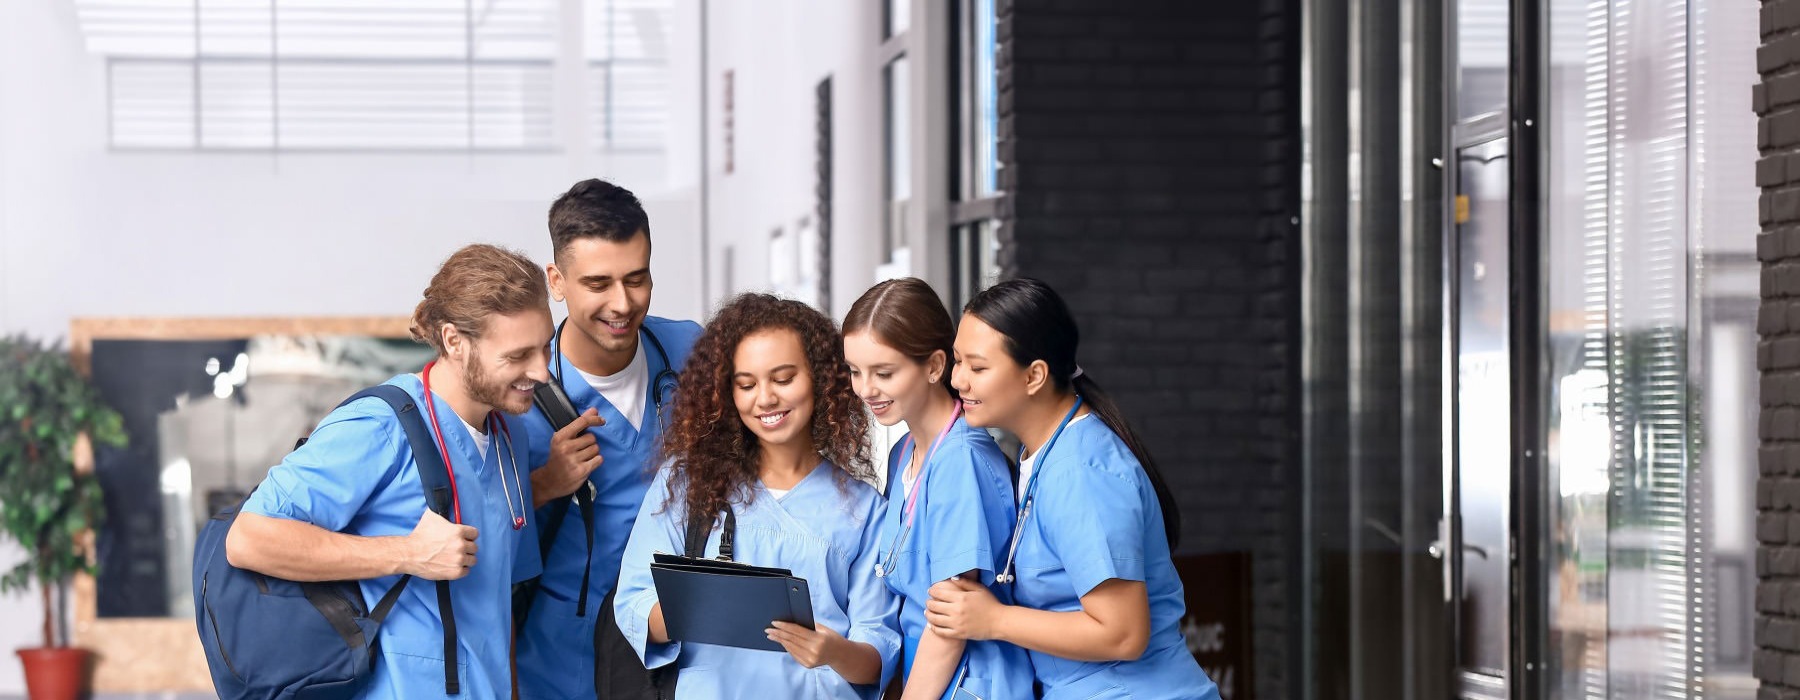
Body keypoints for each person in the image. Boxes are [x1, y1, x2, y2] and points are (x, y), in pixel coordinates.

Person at [226, 243, 553, 699]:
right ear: (456, 342)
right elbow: (249, 539)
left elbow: (498, 611)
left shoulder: (509, 437)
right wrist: (406, 554)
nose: (540, 371)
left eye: (545, 347)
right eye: (518, 355)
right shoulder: (380, 425)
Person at [923, 278, 1219, 700]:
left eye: (978, 367)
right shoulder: (1047, 451)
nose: (959, 381)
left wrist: (994, 620)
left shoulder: (1080, 472)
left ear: (1034, 376)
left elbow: (1122, 634)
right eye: (957, 362)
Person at [613, 293, 902, 698]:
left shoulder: (864, 510)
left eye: (783, 379)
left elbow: (879, 650)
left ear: (820, 379)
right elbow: (634, 603)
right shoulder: (686, 483)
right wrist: (703, 604)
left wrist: (833, 650)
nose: (765, 398)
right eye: (746, 384)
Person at [514, 178, 704, 699]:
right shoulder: (519, 397)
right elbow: (474, 535)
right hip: (561, 660)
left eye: (636, 279)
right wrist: (544, 484)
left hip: (679, 651)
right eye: (598, 284)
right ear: (556, 281)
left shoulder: (690, 349)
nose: (622, 303)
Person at [840, 278, 1033, 700]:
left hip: (970, 684)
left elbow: (950, 622)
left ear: (933, 366)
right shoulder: (904, 454)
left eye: (883, 372)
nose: (865, 389)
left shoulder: (961, 459)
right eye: (855, 371)